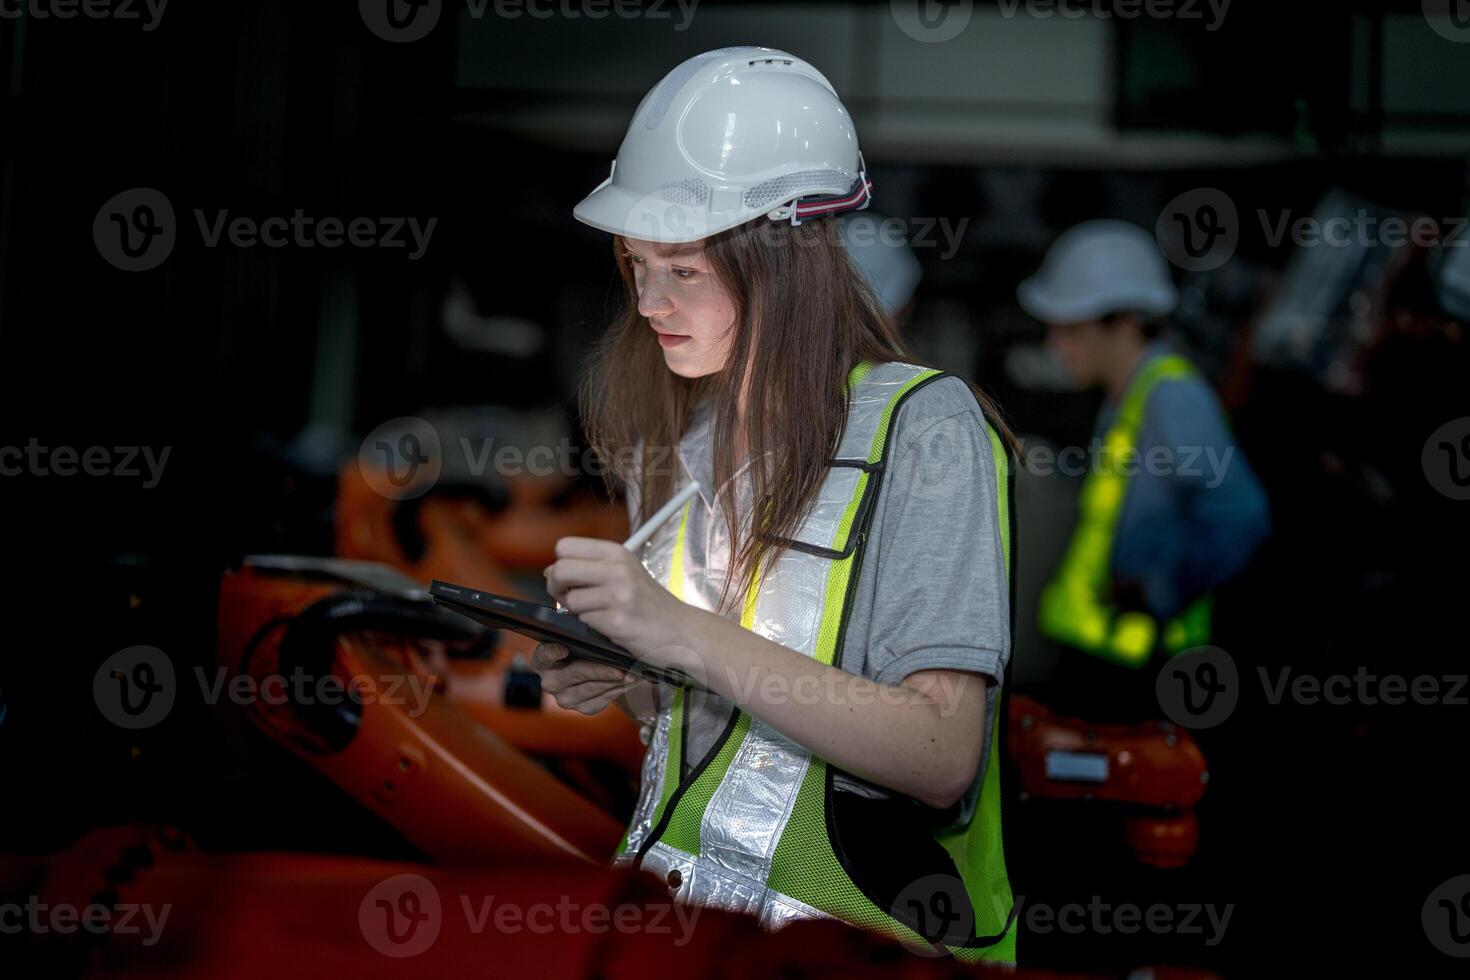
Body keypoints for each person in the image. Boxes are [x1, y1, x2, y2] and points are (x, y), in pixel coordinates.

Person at [528, 47, 1020, 962]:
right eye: (637, 265)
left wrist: (673, 630)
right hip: (681, 937)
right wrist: (627, 675)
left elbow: (941, 752)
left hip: (861, 949)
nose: (648, 303)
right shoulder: (685, 439)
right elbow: (715, 727)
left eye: (682, 268)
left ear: (783, 258)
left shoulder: (926, 432)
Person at [1018, 219, 1271, 718]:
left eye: (1072, 329)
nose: (1055, 346)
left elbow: (1242, 514)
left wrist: (1159, 588)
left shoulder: (1173, 396)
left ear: (1127, 323)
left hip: (1141, 669)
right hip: (1107, 655)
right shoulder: (1132, 396)